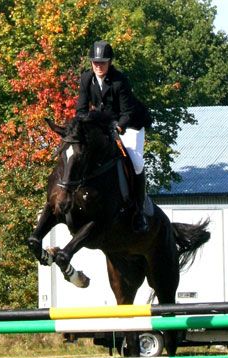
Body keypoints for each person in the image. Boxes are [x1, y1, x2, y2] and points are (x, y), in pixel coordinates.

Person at [76, 40, 152, 233]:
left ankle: (139, 210)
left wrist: (117, 127)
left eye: (102, 63)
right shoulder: (86, 79)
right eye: (96, 62)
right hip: (105, 124)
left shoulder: (119, 80)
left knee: (136, 162)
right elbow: (81, 111)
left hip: (130, 124)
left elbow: (127, 112)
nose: (98, 66)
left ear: (110, 62)